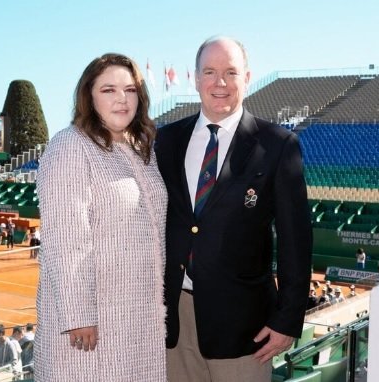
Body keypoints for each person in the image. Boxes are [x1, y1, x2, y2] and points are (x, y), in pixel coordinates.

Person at [155, 36, 312, 382]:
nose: (219, 82)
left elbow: (295, 240)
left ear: (247, 77)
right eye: (209, 71)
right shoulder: (166, 141)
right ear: (196, 79)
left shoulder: (277, 145)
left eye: (230, 72)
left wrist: (287, 319)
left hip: (245, 327)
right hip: (173, 320)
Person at [35, 53, 167, 381]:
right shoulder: (70, 145)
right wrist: (79, 313)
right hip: (95, 322)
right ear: (89, 97)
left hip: (141, 313)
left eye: (130, 89)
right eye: (108, 90)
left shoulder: (143, 147)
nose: (122, 99)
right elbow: (65, 237)